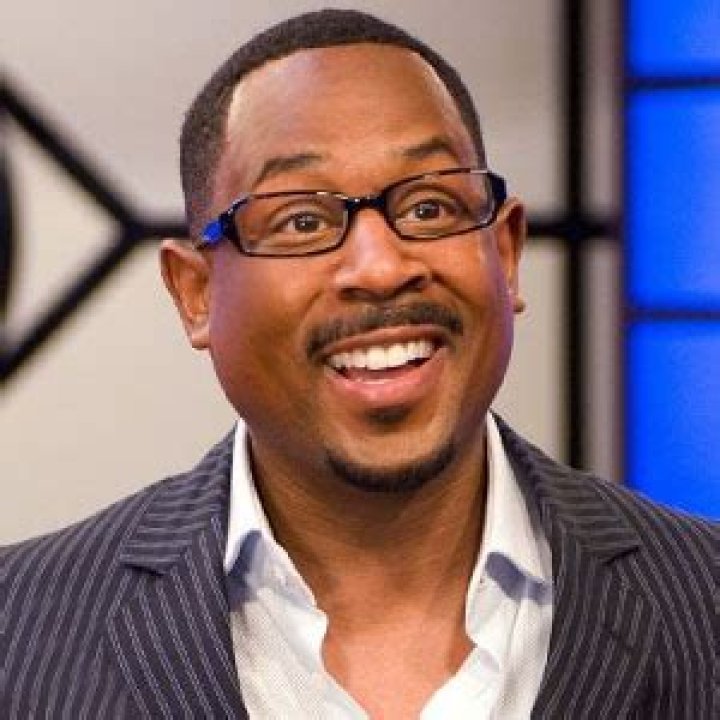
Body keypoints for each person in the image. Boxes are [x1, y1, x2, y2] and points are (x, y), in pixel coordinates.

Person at [1, 9, 717, 719]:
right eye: (302, 221)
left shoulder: (703, 601)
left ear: (505, 254)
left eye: (430, 208)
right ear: (195, 293)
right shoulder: (19, 635)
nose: (380, 268)